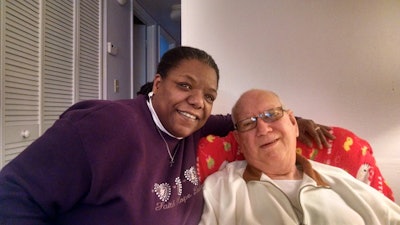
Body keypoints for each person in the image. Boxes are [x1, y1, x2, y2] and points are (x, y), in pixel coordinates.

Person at [0, 46, 331, 224]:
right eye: (185, 86)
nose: (197, 102)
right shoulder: (105, 126)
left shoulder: (191, 129)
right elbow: (13, 194)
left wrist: (289, 120)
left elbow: (236, 121)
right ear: (158, 85)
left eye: (209, 95)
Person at [199, 89, 400, 225]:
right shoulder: (219, 189)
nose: (263, 128)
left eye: (271, 115)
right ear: (239, 140)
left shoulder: (341, 179)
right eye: (248, 123)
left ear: (294, 123)